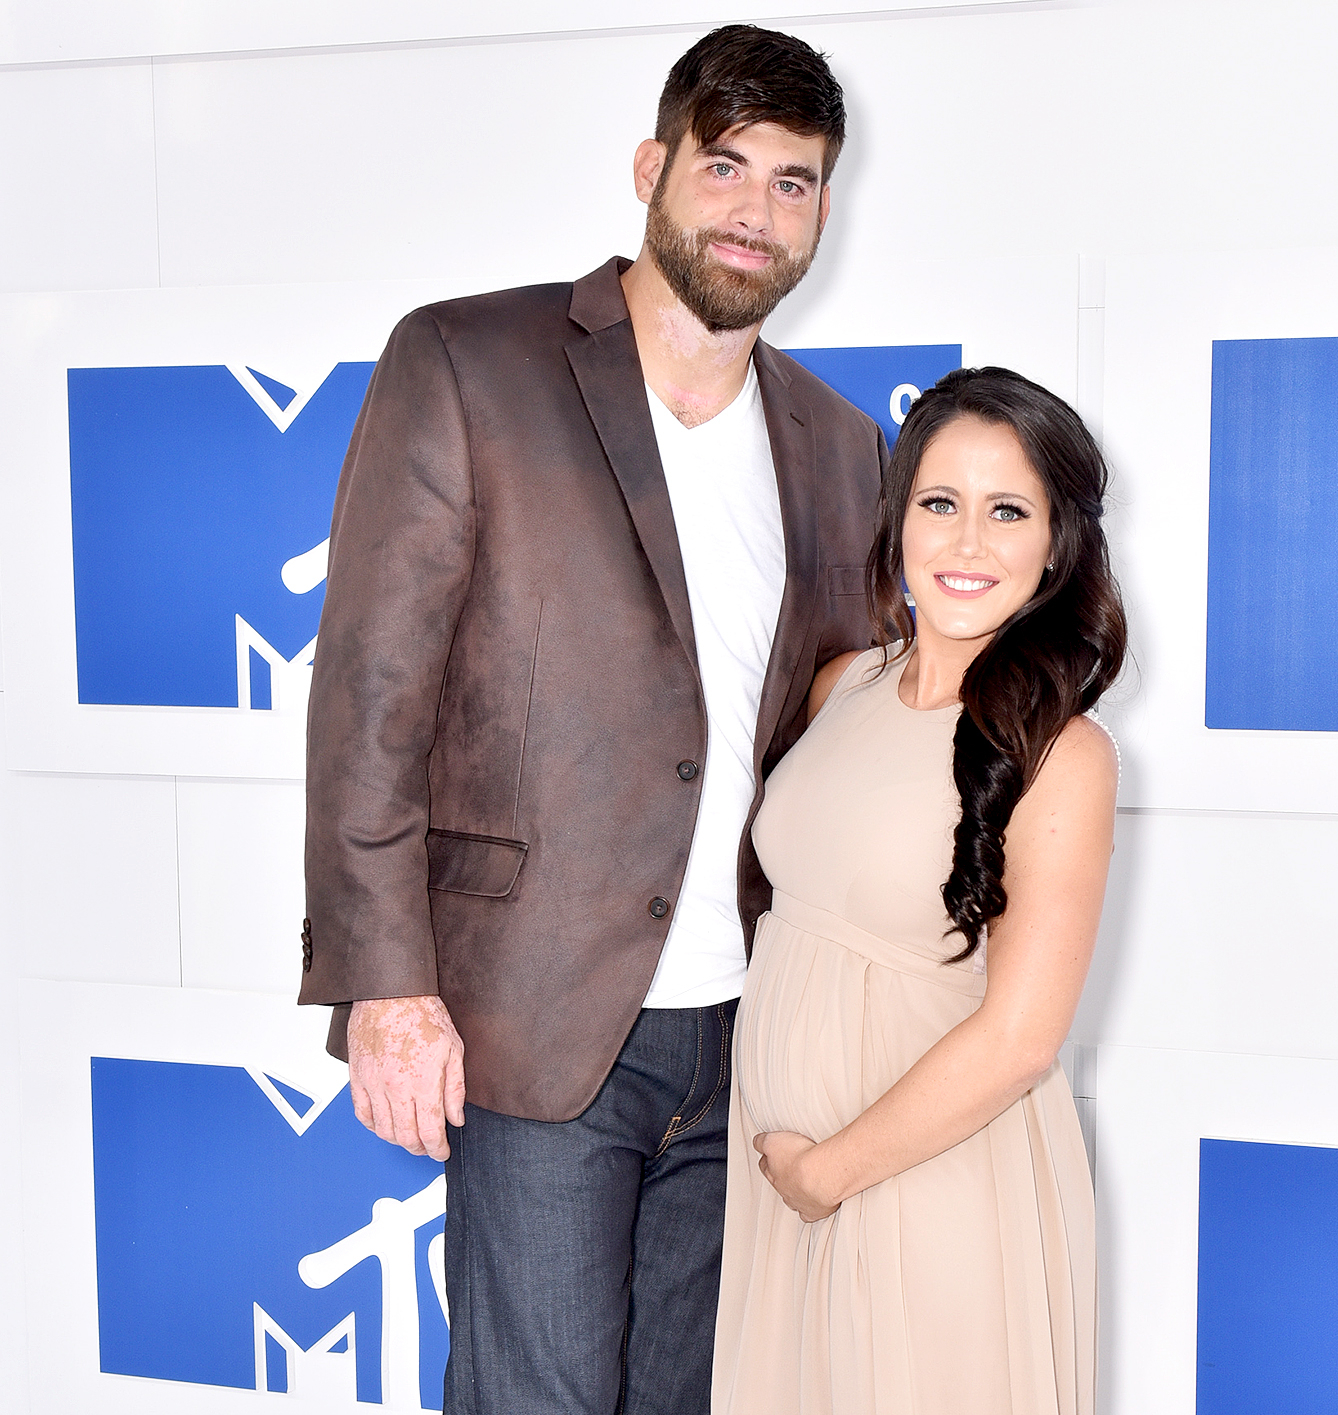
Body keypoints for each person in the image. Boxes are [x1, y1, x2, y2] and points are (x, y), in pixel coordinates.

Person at [297, 25, 884, 1415]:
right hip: (535, 1018)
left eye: (795, 183)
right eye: (728, 166)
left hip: (749, 1030)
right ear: (653, 165)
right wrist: (387, 983)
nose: (757, 211)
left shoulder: (841, 444)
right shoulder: (468, 360)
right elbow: (373, 689)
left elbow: (839, 734)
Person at [712, 366, 1128, 1414]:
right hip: (782, 1194)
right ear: (896, 520)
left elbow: (1020, 1037)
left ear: (1054, 541)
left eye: (1006, 511)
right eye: (939, 503)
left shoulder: (1062, 753)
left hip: (928, 1190)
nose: (967, 542)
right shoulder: (839, 682)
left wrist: (829, 1171)